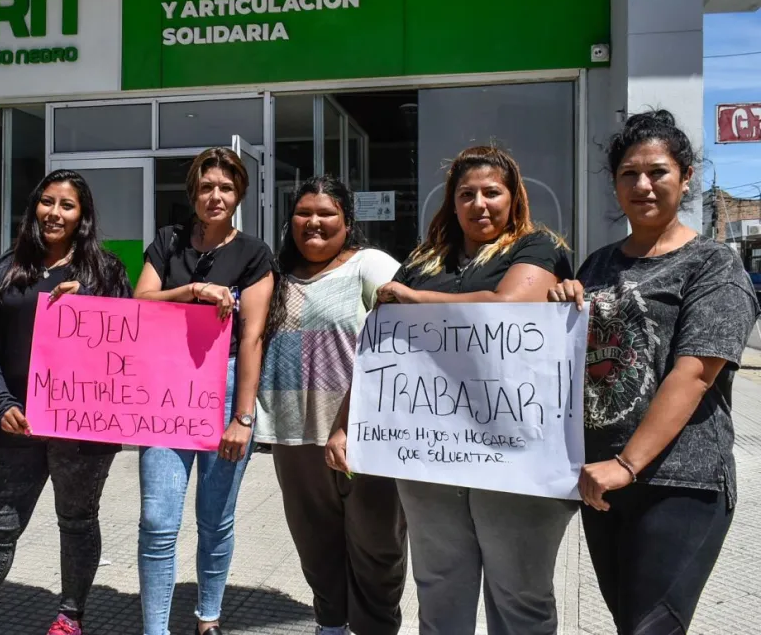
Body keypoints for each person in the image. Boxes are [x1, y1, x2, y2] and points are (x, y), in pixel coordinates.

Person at [328, 145, 577, 635]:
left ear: (514, 197)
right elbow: (382, 344)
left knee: (520, 594)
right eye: (467, 194)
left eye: (492, 192)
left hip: (516, 456)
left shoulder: (537, 248)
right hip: (430, 458)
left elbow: (507, 305)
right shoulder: (423, 259)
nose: (479, 204)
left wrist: (416, 298)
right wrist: (344, 426)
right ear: (452, 201)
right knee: (439, 587)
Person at [548, 110, 760, 634]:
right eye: (629, 174)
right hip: (603, 481)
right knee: (629, 624)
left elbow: (693, 374)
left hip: (678, 482)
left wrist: (627, 463)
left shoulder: (712, 264)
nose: (642, 185)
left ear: (686, 177)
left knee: (652, 628)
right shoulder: (596, 266)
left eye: (658, 171)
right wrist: (561, 302)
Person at [0, 170, 132, 635]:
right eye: (47, 202)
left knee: (78, 522)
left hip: (82, 426)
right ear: (34, 208)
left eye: (67, 205)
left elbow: (128, 343)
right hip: (18, 422)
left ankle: (70, 617)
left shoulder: (105, 272)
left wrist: (91, 303)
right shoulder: (5, 269)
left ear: (82, 215)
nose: (54, 213)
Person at [256, 175, 407, 635]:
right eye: (304, 213)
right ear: (290, 221)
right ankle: (330, 623)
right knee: (315, 542)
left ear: (347, 221)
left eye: (326, 214)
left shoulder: (368, 264)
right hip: (292, 433)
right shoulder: (275, 274)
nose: (314, 222)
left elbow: (409, 312)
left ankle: (375, 627)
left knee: (377, 543)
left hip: (362, 433)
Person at [134, 147, 274, 635]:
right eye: (207, 186)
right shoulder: (167, 242)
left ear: (240, 195)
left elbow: (253, 336)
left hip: (228, 382)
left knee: (215, 520)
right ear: (192, 191)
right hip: (167, 389)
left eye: (227, 188)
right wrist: (192, 292)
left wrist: (243, 418)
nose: (216, 196)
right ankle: (155, 628)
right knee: (157, 518)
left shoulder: (254, 253)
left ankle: (207, 617)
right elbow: (141, 305)